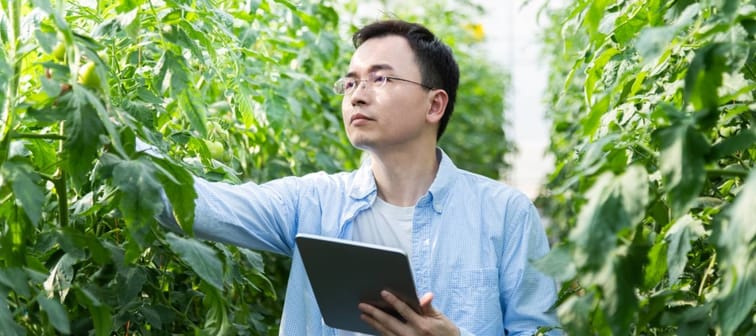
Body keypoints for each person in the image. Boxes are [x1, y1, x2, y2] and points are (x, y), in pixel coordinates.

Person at [156, 19, 560, 335]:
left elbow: (541, 332)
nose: (357, 94)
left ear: (435, 105)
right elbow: (191, 205)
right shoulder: (311, 203)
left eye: (381, 78)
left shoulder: (505, 214)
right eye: (350, 82)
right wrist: (107, 124)